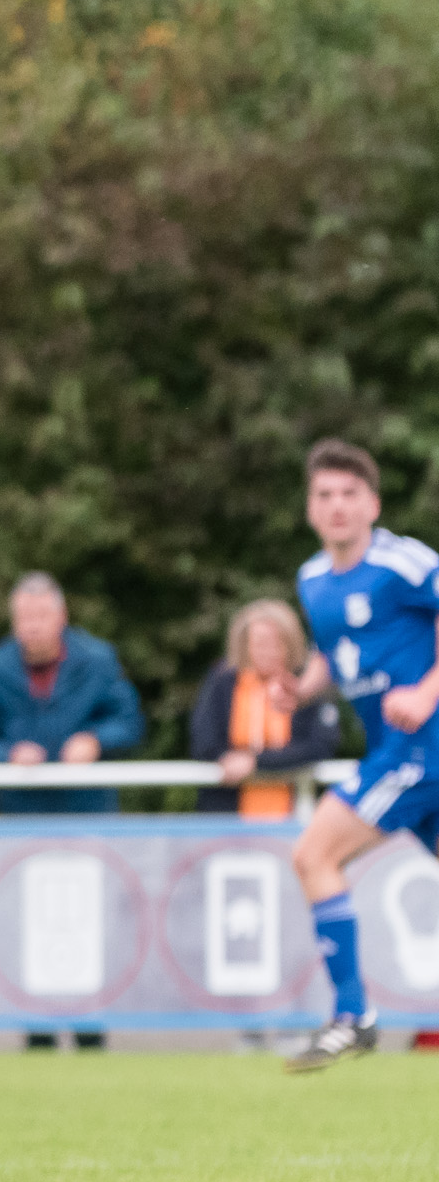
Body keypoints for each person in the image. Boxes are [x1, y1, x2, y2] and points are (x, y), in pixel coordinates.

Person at [275, 440, 439, 1072]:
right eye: (324, 495)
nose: (337, 506)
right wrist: (306, 686)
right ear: (310, 508)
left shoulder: (404, 562)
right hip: (396, 748)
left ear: (373, 503)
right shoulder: (313, 581)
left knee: (313, 853)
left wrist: (426, 691)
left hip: (420, 748)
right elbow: (337, 654)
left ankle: (352, 1016)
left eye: (350, 494)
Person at [0, 573, 144, 816]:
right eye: (25, 617)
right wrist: (9, 754)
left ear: (62, 617)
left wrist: (95, 741)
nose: (33, 626)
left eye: (41, 616)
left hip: (89, 812)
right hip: (20, 815)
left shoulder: (98, 660)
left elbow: (130, 723)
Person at [188, 599, 340, 819]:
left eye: (276, 643)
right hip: (226, 811)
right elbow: (203, 741)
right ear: (245, 644)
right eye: (259, 642)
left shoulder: (308, 684)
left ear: (291, 644)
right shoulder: (222, 681)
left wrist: (255, 762)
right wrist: (228, 761)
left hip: (294, 810)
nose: (267, 651)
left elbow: (320, 745)